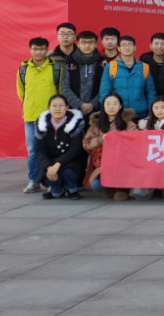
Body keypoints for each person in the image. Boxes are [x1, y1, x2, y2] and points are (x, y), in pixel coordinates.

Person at [17, 37, 72, 193]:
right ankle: (34, 180)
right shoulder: (23, 70)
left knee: (53, 150)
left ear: (47, 50)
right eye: (35, 49)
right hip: (30, 117)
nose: (38, 52)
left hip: (51, 118)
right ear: (30, 50)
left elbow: (61, 93)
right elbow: (21, 92)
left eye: (41, 49)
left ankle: (53, 181)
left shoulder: (56, 69)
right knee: (32, 151)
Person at [33, 94, 87, 200]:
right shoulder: (41, 125)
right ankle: (57, 189)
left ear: (67, 107)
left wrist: (58, 164)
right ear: (49, 108)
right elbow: (39, 150)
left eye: (61, 105)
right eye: (54, 105)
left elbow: (75, 149)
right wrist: (48, 167)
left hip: (71, 162)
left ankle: (72, 189)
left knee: (67, 173)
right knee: (48, 174)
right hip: (51, 162)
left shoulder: (75, 124)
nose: (57, 109)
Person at [83, 93, 134, 200]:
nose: (111, 107)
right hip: (104, 164)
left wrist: (116, 138)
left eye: (115, 104)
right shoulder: (96, 124)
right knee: (96, 185)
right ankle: (110, 188)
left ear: (120, 106)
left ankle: (124, 190)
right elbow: (86, 144)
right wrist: (101, 139)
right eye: (108, 104)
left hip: (124, 163)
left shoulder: (129, 124)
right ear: (103, 106)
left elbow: (135, 141)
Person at [98, 35, 156, 120]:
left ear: (135, 47)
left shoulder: (144, 67)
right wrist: (107, 112)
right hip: (117, 115)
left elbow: (151, 92)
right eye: (123, 45)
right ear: (118, 48)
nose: (127, 47)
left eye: (129, 45)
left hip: (140, 115)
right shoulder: (111, 67)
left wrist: (151, 112)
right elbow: (104, 92)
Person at [66, 30, 105, 117]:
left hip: (97, 111)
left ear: (96, 44)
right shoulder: (70, 62)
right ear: (78, 44)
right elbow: (64, 86)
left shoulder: (102, 62)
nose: (87, 45)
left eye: (90, 42)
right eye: (83, 42)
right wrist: (79, 104)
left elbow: (105, 87)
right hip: (73, 111)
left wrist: (93, 104)